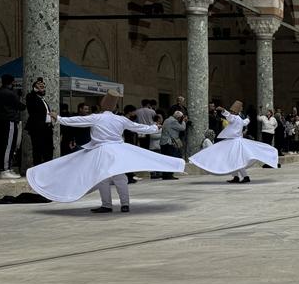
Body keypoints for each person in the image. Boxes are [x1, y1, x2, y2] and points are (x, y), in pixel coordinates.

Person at [27, 90, 184, 211]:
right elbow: (138, 128)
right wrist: (154, 127)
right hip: (117, 150)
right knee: (120, 177)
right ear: (115, 107)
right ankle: (125, 204)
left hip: (101, 151)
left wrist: (59, 118)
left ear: (102, 105)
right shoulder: (120, 119)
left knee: (103, 177)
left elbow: (77, 121)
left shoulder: (97, 117)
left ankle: (107, 205)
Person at [189, 100, 279, 182]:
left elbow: (229, 116)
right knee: (234, 160)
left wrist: (223, 110)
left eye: (232, 111)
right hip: (235, 141)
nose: (231, 112)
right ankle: (236, 177)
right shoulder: (239, 119)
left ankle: (245, 177)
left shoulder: (235, 118)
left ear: (234, 112)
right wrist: (248, 118)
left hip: (234, 142)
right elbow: (245, 122)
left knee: (236, 161)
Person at [24, 77, 54, 166]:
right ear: (35, 88)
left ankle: (48, 168)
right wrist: (35, 88)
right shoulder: (31, 97)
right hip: (38, 129)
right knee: (38, 149)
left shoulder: (42, 99)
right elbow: (32, 98)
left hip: (47, 128)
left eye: (43, 86)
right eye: (39, 86)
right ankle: (37, 169)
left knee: (49, 150)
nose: (42, 86)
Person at [158, 108, 186, 179]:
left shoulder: (167, 120)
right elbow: (182, 128)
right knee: (170, 159)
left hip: (164, 142)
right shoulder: (173, 121)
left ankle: (165, 174)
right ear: (178, 117)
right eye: (180, 118)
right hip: (169, 143)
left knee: (165, 159)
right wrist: (184, 121)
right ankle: (169, 175)